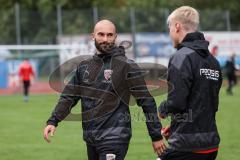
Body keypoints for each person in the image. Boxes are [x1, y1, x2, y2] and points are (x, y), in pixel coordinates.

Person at [43, 19, 166, 160]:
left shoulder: (126, 66)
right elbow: (69, 96)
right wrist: (53, 121)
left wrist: (156, 136)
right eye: (101, 34)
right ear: (93, 36)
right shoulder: (84, 67)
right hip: (91, 139)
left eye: (109, 35)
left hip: (114, 138)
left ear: (115, 37)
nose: (105, 39)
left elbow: (147, 102)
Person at [158, 6, 222, 160]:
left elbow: (177, 103)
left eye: (169, 28)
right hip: (211, 145)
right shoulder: (213, 61)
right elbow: (204, 105)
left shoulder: (181, 56)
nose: (170, 33)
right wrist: (174, 128)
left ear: (177, 26)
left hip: (186, 147)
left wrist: (162, 109)